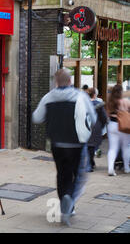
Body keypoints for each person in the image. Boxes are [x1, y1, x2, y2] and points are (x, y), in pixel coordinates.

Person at [33, 69, 96, 226]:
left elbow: (37, 117)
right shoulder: (81, 96)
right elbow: (92, 118)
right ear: (70, 81)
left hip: (57, 144)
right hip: (76, 143)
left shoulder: (48, 97)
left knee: (62, 174)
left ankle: (65, 199)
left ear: (56, 82)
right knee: (78, 174)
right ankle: (71, 200)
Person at [105, 84, 130, 176]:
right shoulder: (126, 101)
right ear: (121, 92)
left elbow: (107, 115)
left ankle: (110, 168)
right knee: (126, 147)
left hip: (112, 125)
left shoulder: (110, 102)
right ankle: (127, 168)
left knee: (112, 148)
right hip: (124, 126)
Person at [86, 88, 108, 172]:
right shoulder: (99, 104)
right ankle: (90, 164)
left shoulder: (83, 104)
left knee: (88, 146)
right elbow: (104, 117)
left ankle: (90, 163)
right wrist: (102, 126)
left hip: (85, 126)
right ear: (95, 95)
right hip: (95, 127)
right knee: (92, 146)